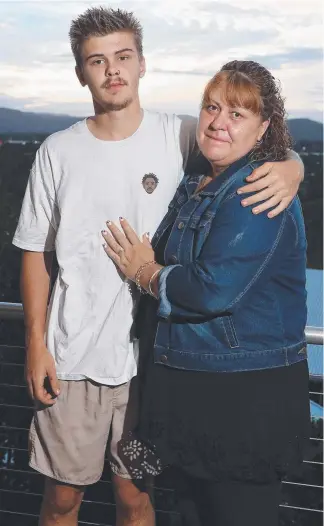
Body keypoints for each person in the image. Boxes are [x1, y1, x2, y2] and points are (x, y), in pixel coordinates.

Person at [12, 5, 303, 526]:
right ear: (81, 72)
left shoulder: (182, 133)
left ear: (143, 63)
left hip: (151, 364)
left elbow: (249, 140)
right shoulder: (56, 151)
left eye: (123, 56)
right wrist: (36, 344)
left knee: (135, 498)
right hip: (73, 357)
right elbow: (35, 252)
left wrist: (292, 166)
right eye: (97, 61)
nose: (113, 70)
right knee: (61, 502)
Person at [102, 60, 311, 526]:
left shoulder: (255, 192)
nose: (218, 121)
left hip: (241, 402)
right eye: (212, 107)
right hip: (195, 391)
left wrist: (147, 274)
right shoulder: (199, 179)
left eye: (238, 113)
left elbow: (212, 290)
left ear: (264, 129)